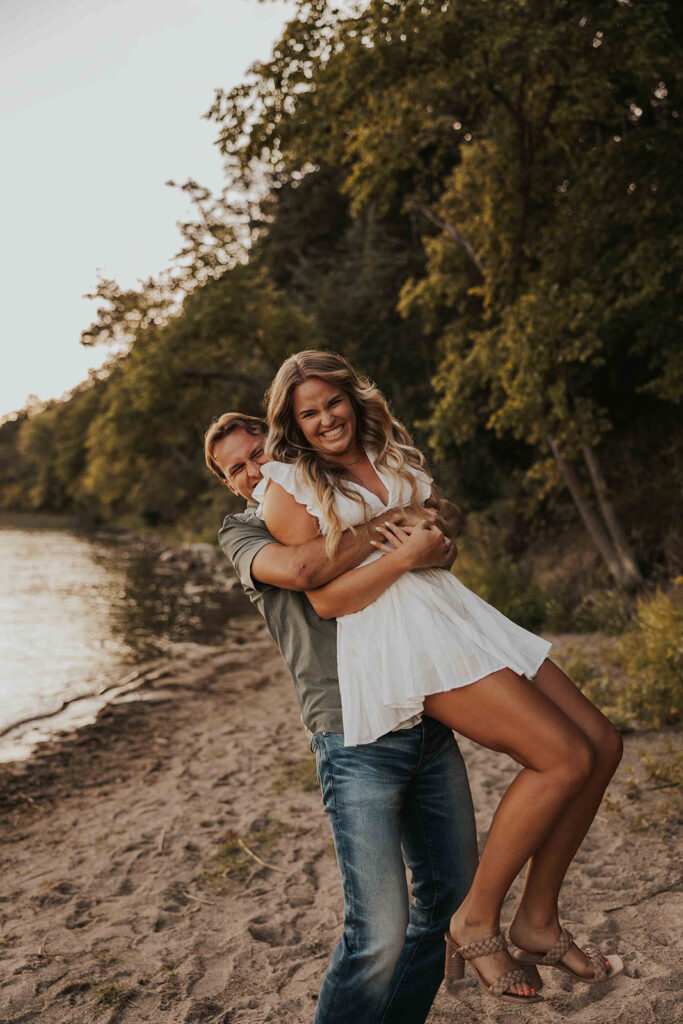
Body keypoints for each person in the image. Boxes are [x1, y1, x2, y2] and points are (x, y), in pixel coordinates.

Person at [255, 349, 625, 1005]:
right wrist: (409, 553)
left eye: (331, 402)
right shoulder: (289, 485)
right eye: (306, 413)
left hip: (455, 609)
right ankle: (474, 919)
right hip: (402, 635)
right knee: (560, 758)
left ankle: (536, 919)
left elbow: (439, 522)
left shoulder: (390, 450)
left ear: (353, 396)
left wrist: (438, 536)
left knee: (600, 744)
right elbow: (328, 600)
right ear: (291, 423)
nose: (323, 420)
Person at [204, 411, 480, 1024]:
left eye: (258, 453)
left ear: (280, 446)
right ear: (229, 483)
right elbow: (305, 571)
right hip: (352, 736)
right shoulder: (244, 532)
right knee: (376, 933)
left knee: (451, 903)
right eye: (237, 468)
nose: (253, 471)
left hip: (422, 709)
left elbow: (436, 523)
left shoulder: (332, 495)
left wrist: (423, 533)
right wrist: (390, 526)